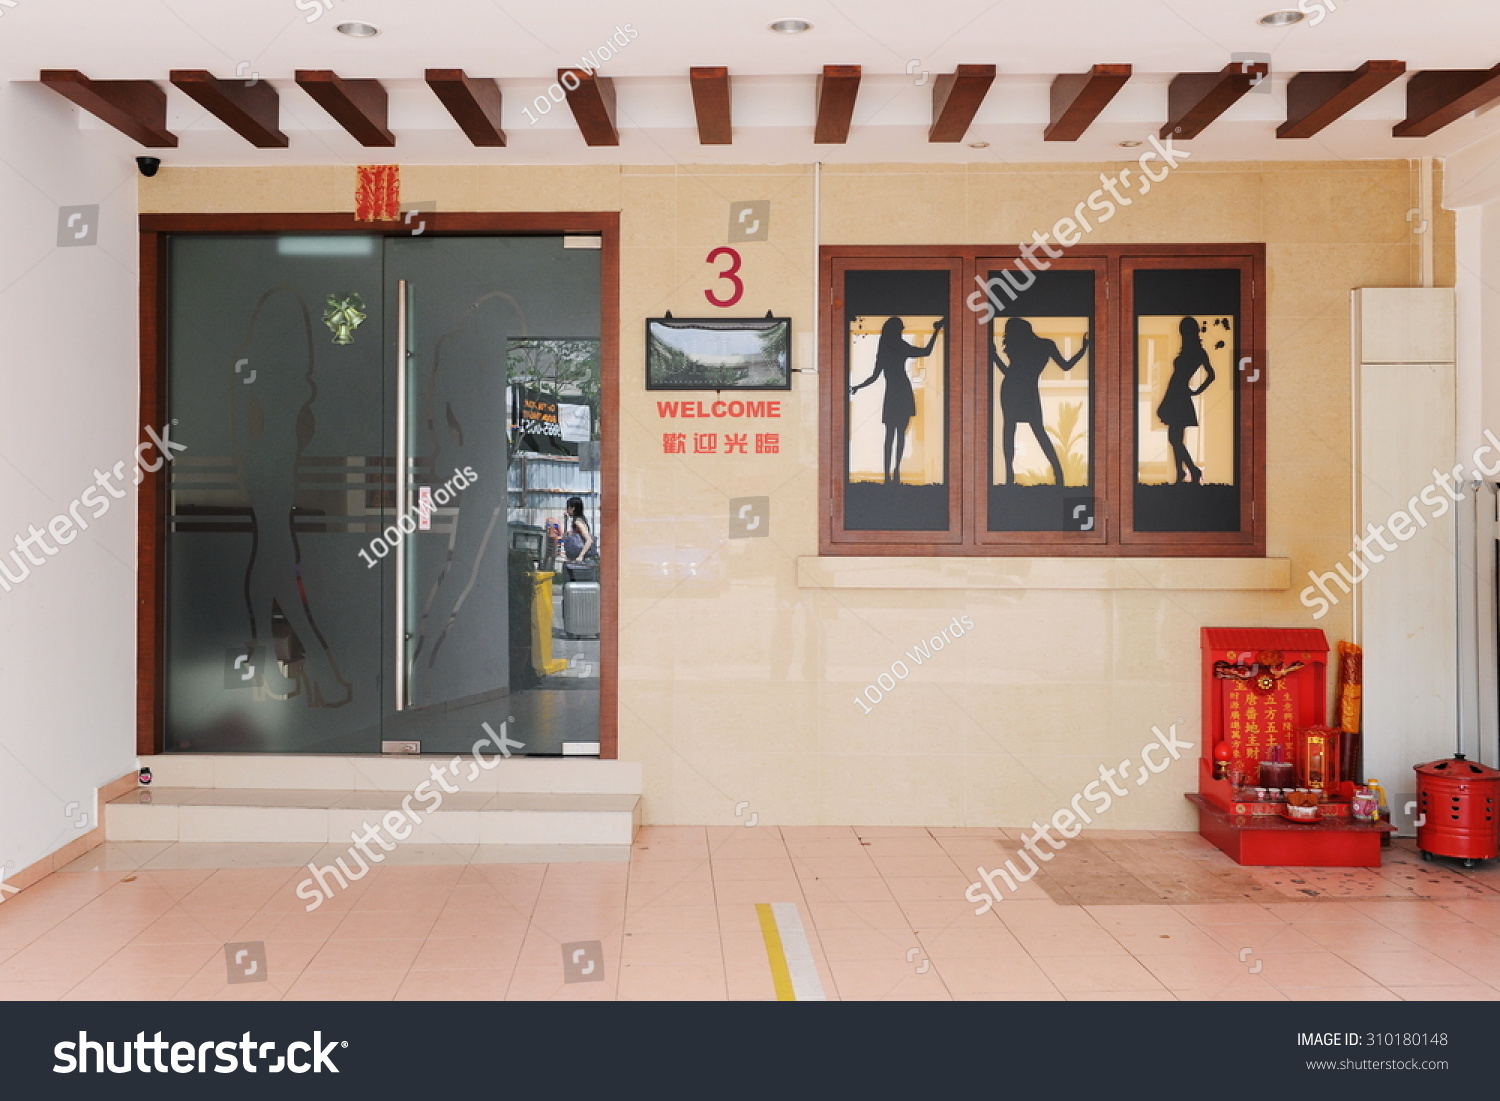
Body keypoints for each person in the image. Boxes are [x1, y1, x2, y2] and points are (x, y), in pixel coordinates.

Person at [989, 317, 1090, 485]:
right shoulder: (1045, 345)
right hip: (1024, 389)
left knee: (1011, 429)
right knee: (1034, 430)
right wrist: (1083, 349)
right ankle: (1057, 474)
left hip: (1012, 389)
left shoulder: (1020, 347)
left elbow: (1011, 373)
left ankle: (1011, 477)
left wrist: (994, 357)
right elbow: (1066, 365)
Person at [849, 316, 945, 485]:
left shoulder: (885, 348)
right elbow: (926, 351)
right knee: (899, 434)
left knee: (890, 436)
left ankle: (888, 474)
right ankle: (896, 472)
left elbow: (874, 376)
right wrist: (936, 330)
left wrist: (858, 386)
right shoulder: (900, 346)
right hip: (902, 391)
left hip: (892, 392)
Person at [1156, 315, 1216, 484]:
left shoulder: (1196, 352)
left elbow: (1211, 375)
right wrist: (1196, 390)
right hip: (1176, 393)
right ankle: (1181, 473)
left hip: (1178, 394)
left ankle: (1191, 470)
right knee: (1175, 438)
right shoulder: (1196, 351)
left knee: (1174, 439)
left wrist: (1197, 391)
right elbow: (1210, 374)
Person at [560, 495, 595, 574]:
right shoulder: (580, 519)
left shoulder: (578, 522)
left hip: (579, 560)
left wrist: (580, 556)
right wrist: (566, 521)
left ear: (573, 508)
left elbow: (589, 540)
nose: (567, 510)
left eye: (568, 508)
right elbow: (565, 537)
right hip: (575, 558)